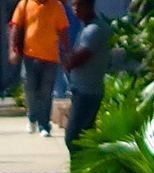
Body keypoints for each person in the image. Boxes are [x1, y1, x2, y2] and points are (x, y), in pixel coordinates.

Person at [7, 0, 66, 136]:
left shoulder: (56, 6)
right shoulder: (25, 4)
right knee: (30, 89)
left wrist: (67, 51)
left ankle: (44, 125)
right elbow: (15, 27)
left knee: (46, 92)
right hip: (29, 55)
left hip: (51, 57)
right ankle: (32, 117)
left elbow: (63, 29)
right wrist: (13, 51)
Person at [60, 0, 106, 151]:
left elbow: (76, 59)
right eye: (73, 5)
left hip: (87, 92)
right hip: (82, 90)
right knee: (83, 138)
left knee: (73, 138)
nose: (75, 9)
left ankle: (79, 172)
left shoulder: (94, 30)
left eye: (79, 5)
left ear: (89, 5)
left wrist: (68, 60)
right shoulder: (85, 28)